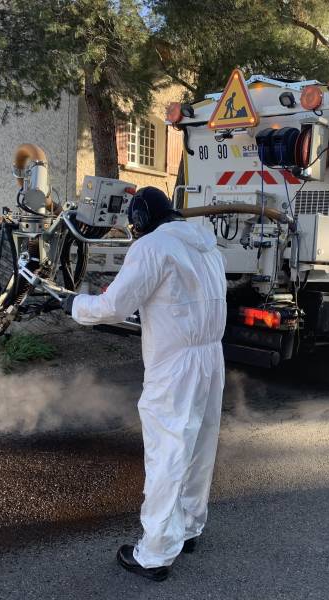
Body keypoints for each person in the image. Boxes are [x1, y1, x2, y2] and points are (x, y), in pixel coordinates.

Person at [62, 187, 227, 581]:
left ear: (141, 218)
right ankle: (187, 529)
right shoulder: (207, 248)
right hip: (210, 358)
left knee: (167, 452)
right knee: (199, 446)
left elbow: (112, 306)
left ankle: (154, 553)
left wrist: (74, 304)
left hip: (176, 366)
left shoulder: (152, 247)